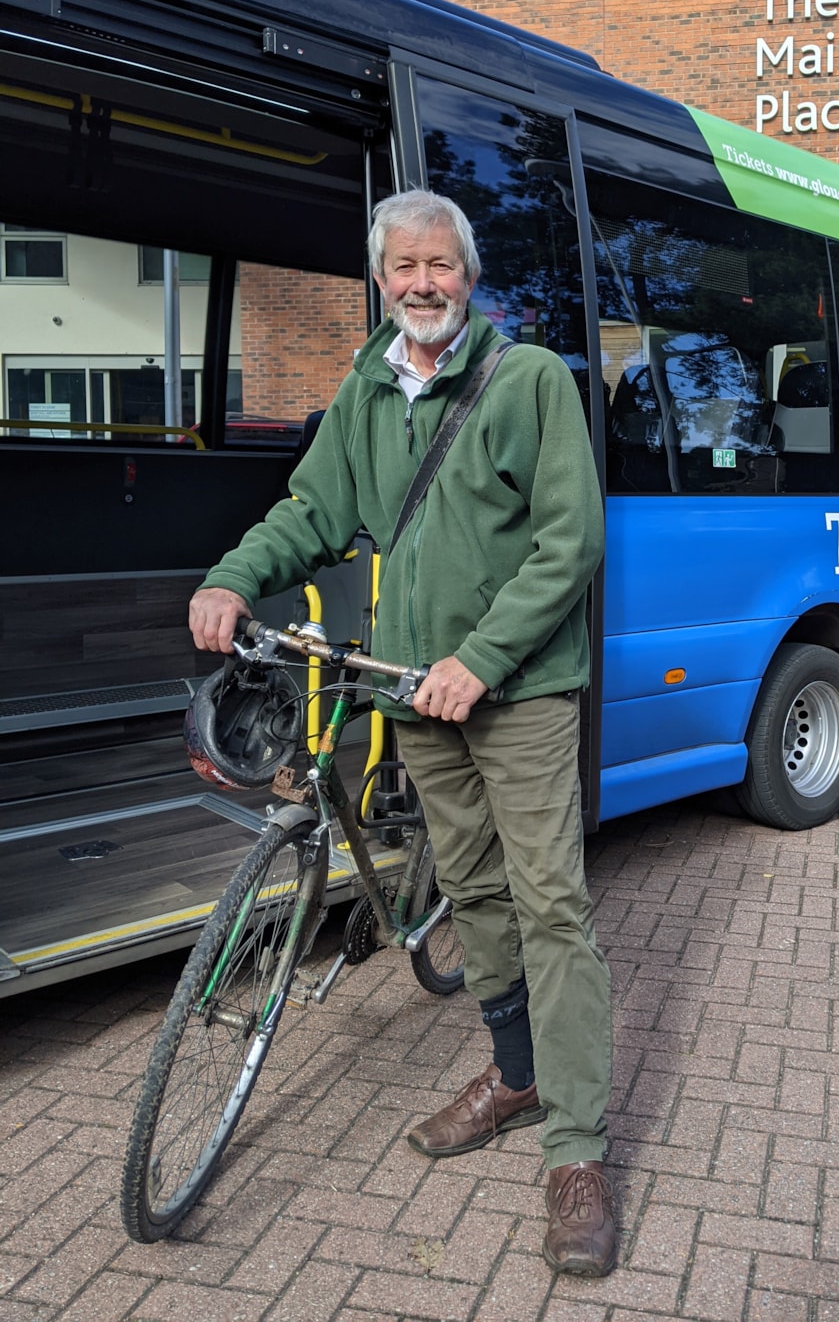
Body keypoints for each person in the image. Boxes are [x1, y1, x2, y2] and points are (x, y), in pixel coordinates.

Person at [189, 189, 615, 1277]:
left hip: (515, 692)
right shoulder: (369, 388)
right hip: (411, 691)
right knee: (470, 894)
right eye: (403, 269)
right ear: (382, 281)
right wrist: (235, 577)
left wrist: (483, 659)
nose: (423, 284)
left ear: (468, 276)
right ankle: (514, 1075)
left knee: (549, 904)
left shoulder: (527, 383)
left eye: (441, 265)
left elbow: (570, 542)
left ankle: (575, 1152)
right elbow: (313, 510)